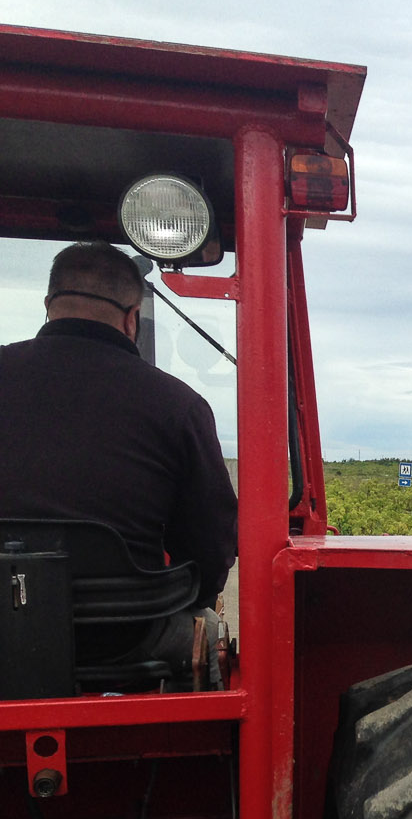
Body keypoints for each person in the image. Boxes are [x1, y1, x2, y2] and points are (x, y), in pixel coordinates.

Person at [0, 241, 238, 683]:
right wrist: (193, 596)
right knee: (203, 633)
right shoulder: (178, 405)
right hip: (125, 638)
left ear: (50, 305)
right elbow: (211, 543)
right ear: (132, 319)